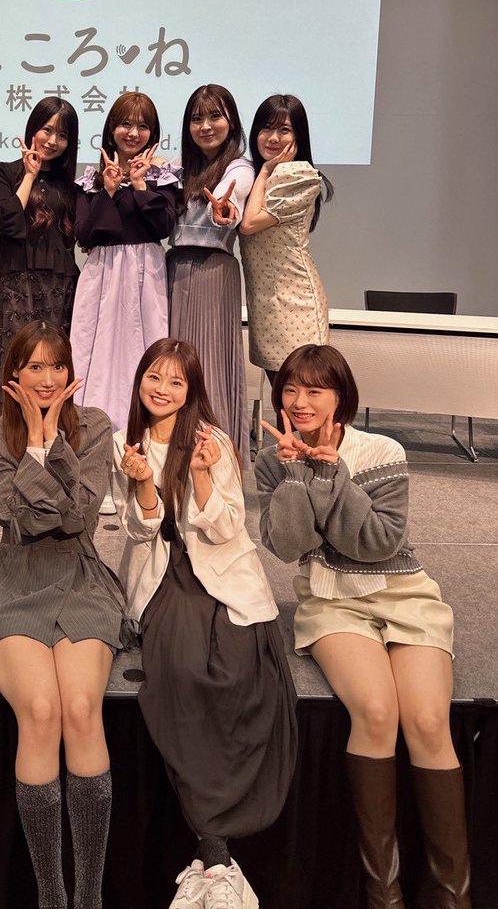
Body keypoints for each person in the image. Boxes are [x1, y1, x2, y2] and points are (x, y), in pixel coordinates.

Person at [256, 345, 470, 909]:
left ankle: (453, 895)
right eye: (290, 390)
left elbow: (377, 542)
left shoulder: (383, 450)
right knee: (375, 712)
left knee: (428, 720)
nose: (299, 402)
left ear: (340, 397)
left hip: (404, 593)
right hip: (332, 601)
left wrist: (333, 472)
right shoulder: (273, 458)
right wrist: (298, 474)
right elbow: (288, 545)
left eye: (314, 391)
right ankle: (384, 894)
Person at [113, 338, 296, 909]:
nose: (162, 389)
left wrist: (202, 475)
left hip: (220, 572)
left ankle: (213, 857)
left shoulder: (211, 440)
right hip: (164, 577)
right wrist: (143, 481)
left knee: (240, 670)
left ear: (191, 390)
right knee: (181, 670)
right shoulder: (126, 443)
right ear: (140, 380)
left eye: (176, 381)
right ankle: (215, 855)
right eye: (154, 377)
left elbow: (224, 528)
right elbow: (140, 531)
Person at [0, 321, 130, 909]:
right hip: (15, 579)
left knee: (80, 708)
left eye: (57, 366)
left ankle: (90, 895)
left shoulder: (97, 427)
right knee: (40, 710)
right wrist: (35, 442)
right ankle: (52, 897)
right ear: (14, 373)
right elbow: (21, 522)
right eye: (34, 366)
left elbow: (79, 518)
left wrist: (55, 439)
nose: (48, 378)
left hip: (80, 576)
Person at [70, 92, 180, 430]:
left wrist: (139, 183)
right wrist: (109, 190)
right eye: (125, 124)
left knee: (145, 347)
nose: (133, 133)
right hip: (102, 272)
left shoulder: (163, 174)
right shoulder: (91, 179)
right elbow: (85, 235)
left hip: (146, 272)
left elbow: (164, 226)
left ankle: (143, 429)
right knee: (93, 348)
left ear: (153, 133)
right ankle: (90, 428)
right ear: (111, 129)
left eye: (142, 126)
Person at [168, 83, 255, 461]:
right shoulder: (179, 168)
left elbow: (232, 197)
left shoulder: (240, 167)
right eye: (196, 118)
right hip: (174, 269)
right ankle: (172, 453)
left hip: (214, 270)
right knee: (172, 363)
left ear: (231, 121)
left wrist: (225, 208)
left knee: (209, 363)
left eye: (215, 116)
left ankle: (215, 454)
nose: (205, 126)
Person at [0, 96, 80, 404]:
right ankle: (10, 430)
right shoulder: (4, 172)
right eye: (47, 130)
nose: (52, 141)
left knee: (52, 365)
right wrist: (29, 175)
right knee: (13, 362)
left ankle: (51, 429)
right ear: (33, 129)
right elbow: (10, 224)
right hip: (14, 281)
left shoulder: (71, 185)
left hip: (58, 287)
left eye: (62, 135)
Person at [239, 93, 333, 381]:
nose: (273, 138)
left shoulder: (299, 175)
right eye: (266, 128)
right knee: (282, 395)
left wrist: (265, 171)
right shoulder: (256, 174)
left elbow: (250, 224)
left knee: (300, 393)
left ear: (298, 136)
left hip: (295, 301)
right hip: (266, 302)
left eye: (284, 130)